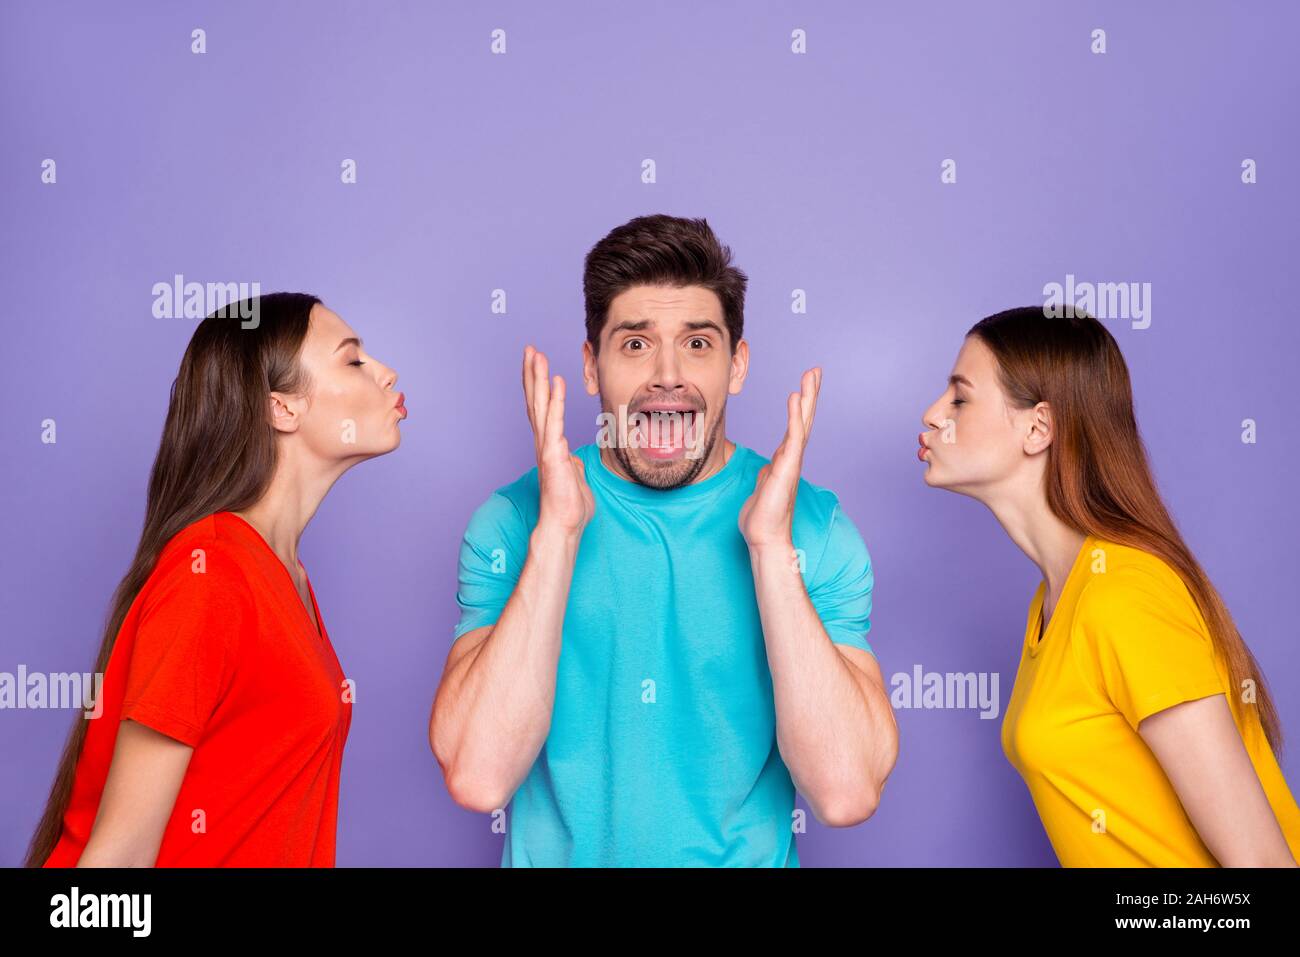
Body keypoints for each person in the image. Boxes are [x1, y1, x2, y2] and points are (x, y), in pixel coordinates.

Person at [430, 214, 898, 866]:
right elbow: (479, 776)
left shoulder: (812, 528)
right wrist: (557, 536)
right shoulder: (514, 521)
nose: (668, 375)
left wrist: (770, 548)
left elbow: (846, 791)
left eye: (699, 344)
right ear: (591, 366)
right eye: (635, 344)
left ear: (737, 365)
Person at [28, 293, 406, 867]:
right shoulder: (212, 575)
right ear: (282, 408)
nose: (385, 372)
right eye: (352, 360)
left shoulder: (285, 576)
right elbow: (119, 859)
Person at [918, 304, 1299, 866]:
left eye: (959, 398)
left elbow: (1263, 864)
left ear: (1037, 427)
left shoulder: (1124, 596)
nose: (931, 414)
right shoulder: (1055, 600)